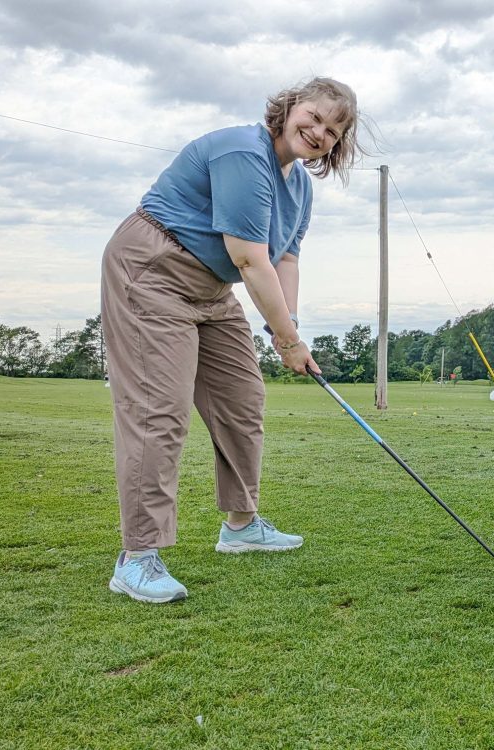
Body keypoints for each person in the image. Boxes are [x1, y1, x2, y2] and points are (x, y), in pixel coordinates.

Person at [101, 77, 362, 603]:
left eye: (333, 131)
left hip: (212, 288)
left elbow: (284, 256)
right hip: (153, 268)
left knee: (243, 399)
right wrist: (287, 343)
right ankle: (138, 556)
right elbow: (249, 258)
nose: (318, 132)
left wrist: (286, 327)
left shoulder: (300, 186)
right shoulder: (244, 152)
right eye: (313, 116)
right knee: (160, 411)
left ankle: (241, 527)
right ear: (289, 107)